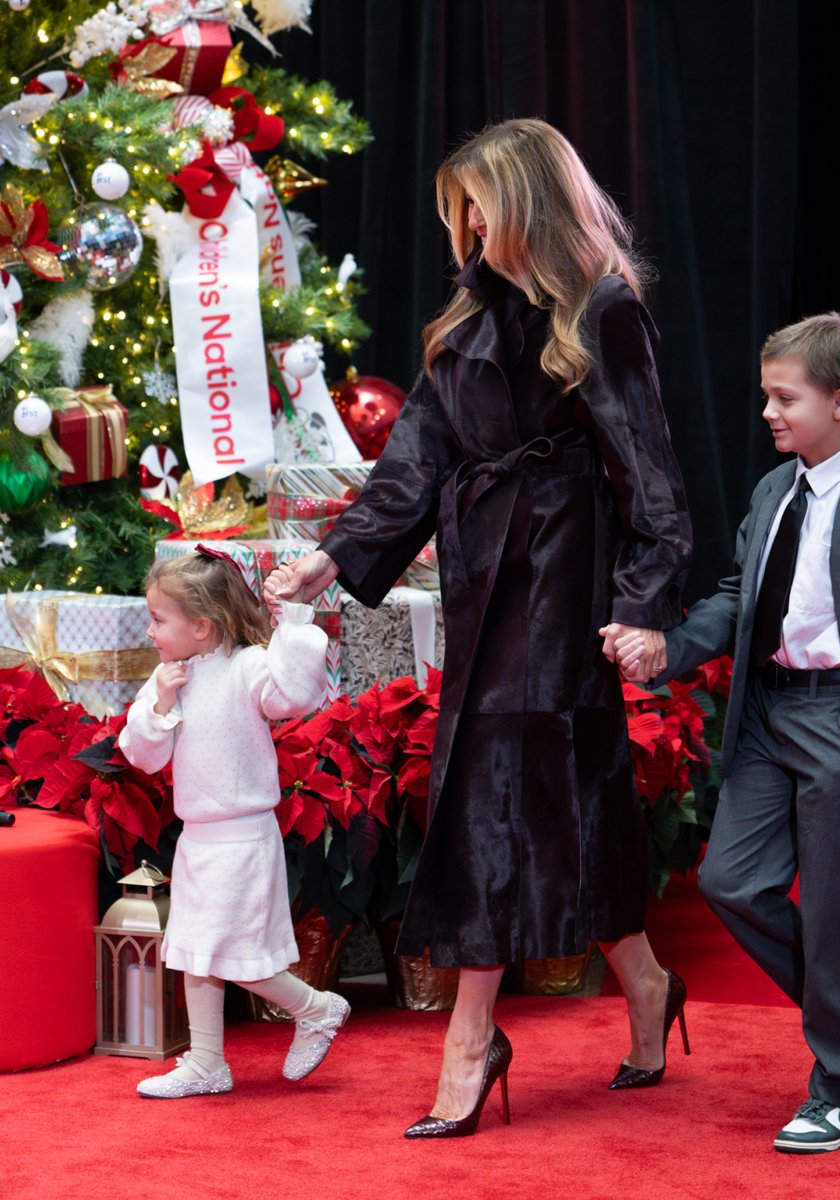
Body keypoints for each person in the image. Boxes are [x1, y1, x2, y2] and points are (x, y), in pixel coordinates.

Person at [264, 118, 692, 1138]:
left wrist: (642, 603)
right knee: (565, 795)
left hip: (563, 582)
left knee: (498, 794)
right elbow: (414, 458)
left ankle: (470, 1036)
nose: (465, 227)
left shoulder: (601, 307)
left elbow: (651, 473)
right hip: (485, 578)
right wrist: (334, 556)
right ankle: (645, 981)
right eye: (456, 209)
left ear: (528, 204)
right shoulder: (469, 315)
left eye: (480, 207)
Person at [613, 312, 840, 1154]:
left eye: (786, 398)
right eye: (767, 395)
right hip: (766, 714)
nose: (769, 412)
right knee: (732, 880)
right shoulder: (775, 490)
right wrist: (666, 647)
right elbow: (741, 596)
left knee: (835, 911)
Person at [119, 546, 350, 1098]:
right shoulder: (169, 676)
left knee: (237, 956)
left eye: (158, 619)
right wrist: (160, 706)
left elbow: (295, 694)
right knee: (196, 952)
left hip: (244, 839)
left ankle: (316, 1008)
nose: (150, 631)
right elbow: (142, 755)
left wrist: (293, 620)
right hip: (197, 840)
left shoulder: (247, 666)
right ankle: (207, 1063)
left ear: (201, 626)